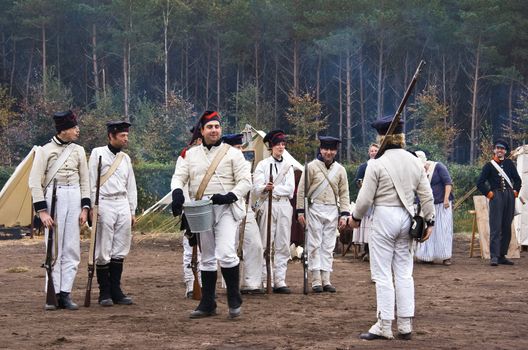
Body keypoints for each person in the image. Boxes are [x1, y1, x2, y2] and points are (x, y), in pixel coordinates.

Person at [349, 115, 434, 340]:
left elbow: (365, 199)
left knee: (383, 274)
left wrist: (355, 218)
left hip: (384, 217)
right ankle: (405, 325)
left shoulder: (376, 163)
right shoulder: (414, 161)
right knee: (404, 274)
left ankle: (384, 325)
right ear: (402, 137)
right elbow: (426, 196)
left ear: (383, 137)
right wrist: (430, 221)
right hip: (407, 217)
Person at [171, 111, 251, 318]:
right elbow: (179, 177)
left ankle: (234, 299)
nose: (214, 130)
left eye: (217, 126)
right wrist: (178, 192)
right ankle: (208, 303)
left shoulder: (233, 153)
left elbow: (245, 181)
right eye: (210, 127)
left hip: (225, 208)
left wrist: (231, 195)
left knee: (225, 252)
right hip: (201, 209)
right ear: (202, 130)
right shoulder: (191, 154)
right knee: (206, 257)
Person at [29, 110, 91, 310]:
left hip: (74, 197)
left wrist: (85, 208)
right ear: (64, 130)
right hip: (52, 199)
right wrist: (42, 212)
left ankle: (65, 292)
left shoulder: (79, 150)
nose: (77, 131)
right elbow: (34, 182)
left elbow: (85, 181)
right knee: (53, 249)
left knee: (71, 248)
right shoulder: (45, 151)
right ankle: (53, 293)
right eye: (74, 128)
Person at [89, 121, 137, 306]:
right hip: (105, 203)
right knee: (104, 248)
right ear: (111, 136)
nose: (126, 138)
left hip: (122, 202)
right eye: (122, 136)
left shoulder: (125, 158)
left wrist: (132, 210)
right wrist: (94, 207)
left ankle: (116, 291)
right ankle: (104, 292)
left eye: (126, 135)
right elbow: (92, 181)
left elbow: (131, 186)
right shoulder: (97, 153)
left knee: (120, 247)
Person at [296, 136, 350, 293]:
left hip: (332, 210)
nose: (329, 152)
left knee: (328, 245)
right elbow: (302, 191)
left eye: (332, 149)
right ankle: (316, 279)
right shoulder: (311, 167)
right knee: (314, 244)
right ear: (321, 150)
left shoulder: (340, 170)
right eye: (326, 149)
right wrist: (300, 211)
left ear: (336, 151)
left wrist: (344, 214)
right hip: (315, 209)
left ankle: (326, 279)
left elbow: (344, 193)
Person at [252, 129, 295, 294]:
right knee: (265, 242)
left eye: (283, 144)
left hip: (284, 206)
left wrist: (273, 188)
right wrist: (266, 188)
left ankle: (280, 280)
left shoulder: (288, 167)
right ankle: (264, 278)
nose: (281, 147)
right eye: (278, 144)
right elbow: (257, 188)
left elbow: (290, 190)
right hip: (267, 206)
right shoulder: (262, 165)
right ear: (271, 147)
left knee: (283, 244)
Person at [222, 133, 264, 294]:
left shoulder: (247, 165)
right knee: (229, 248)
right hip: (226, 210)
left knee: (255, 245)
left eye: (240, 147)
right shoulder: (221, 166)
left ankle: (251, 283)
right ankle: (230, 285)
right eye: (236, 148)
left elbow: (254, 190)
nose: (239, 151)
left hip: (245, 209)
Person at [476, 138, 521, 266]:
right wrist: (490, 194)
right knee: (496, 227)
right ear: (494, 150)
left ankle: (502, 255)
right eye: (498, 148)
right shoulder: (489, 166)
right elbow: (479, 183)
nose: (499, 150)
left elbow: (517, 180)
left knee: (506, 227)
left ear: (505, 151)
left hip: (509, 197)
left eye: (502, 149)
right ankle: (494, 256)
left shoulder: (509, 164)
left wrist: (515, 192)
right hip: (496, 196)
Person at [171, 127, 202, 298]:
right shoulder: (185, 157)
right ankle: (191, 284)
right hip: (190, 208)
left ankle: (203, 283)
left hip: (205, 207)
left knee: (206, 250)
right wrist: (181, 203)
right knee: (190, 249)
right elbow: (180, 181)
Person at [414, 151, 454, 265]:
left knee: (443, 229)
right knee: (426, 229)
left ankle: (445, 256)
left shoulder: (438, 167)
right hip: (426, 204)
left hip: (441, 203)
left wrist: (446, 198)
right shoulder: (418, 171)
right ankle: (426, 256)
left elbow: (448, 183)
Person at [352, 143, 379, 261]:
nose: (373, 152)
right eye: (371, 151)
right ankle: (367, 250)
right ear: (369, 153)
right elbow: (357, 181)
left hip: (379, 199)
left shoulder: (382, 165)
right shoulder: (364, 166)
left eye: (375, 150)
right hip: (367, 199)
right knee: (368, 226)